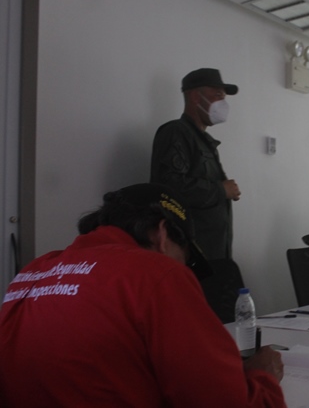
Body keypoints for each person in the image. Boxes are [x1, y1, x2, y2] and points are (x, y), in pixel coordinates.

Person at [0, 183, 285, 407]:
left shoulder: (33, 271)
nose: (184, 268)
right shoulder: (155, 272)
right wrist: (263, 377)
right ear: (162, 234)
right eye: (186, 258)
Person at [150, 68, 241, 262]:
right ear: (195, 97)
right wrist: (220, 190)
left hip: (213, 255)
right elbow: (169, 187)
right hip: (189, 256)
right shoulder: (176, 132)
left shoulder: (204, 141)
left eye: (224, 97)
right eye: (217, 95)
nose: (223, 103)